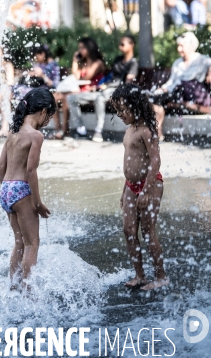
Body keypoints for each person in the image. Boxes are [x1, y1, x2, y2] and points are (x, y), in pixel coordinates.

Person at [110, 84, 169, 291]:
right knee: (128, 230)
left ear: (136, 106)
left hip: (150, 185)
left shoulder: (146, 131)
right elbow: (130, 164)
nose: (120, 114)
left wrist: (145, 190)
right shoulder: (129, 130)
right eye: (117, 110)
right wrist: (125, 190)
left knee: (147, 231)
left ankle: (161, 276)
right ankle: (139, 275)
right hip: (130, 186)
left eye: (123, 110)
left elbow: (155, 161)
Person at [0, 87, 56, 291]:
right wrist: (37, 203)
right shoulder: (36, 136)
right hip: (21, 189)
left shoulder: (12, 133)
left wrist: (7, 193)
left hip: (5, 189)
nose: (47, 122)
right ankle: (29, 294)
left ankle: (13, 288)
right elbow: (31, 170)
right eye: (48, 117)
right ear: (43, 111)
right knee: (32, 243)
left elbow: (1, 167)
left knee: (19, 242)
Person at [68, 34, 138, 142]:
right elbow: (111, 77)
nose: (120, 46)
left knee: (100, 98)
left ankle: (98, 131)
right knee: (71, 98)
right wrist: (98, 87)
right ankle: (80, 129)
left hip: (117, 90)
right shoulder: (118, 60)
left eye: (122, 44)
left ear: (131, 45)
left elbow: (127, 83)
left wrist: (107, 86)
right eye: (119, 44)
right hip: (104, 89)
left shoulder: (133, 63)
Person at [152, 32, 211, 138]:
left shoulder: (201, 60)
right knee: (154, 100)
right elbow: (171, 83)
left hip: (195, 95)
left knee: (158, 100)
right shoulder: (178, 62)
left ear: (191, 46)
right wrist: (160, 90)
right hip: (178, 93)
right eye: (178, 46)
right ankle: (158, 130)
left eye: (182, 46)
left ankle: (157, 132)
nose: (179, 49)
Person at [53, 37, 105, 139]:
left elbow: (86, 78)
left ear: (89, 48)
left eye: (82, 48)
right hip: (79, 89)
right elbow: (76, 77)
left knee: (64, 98)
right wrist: (75, 61)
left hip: (90, 90)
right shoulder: (83, 63)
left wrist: (77, 63)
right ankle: (58, 129)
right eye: (79, 48)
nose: (80, 51)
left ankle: (65, 129)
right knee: (54, 97)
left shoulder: (98, 63)